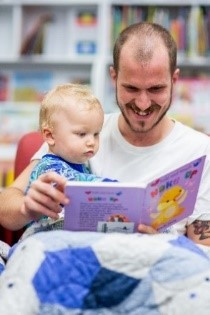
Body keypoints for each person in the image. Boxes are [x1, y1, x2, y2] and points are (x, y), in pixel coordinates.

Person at [1, 22, 210, 246]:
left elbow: (203, 255)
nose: (142, 103)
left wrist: (161, 245)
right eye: (131, 88)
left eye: (155, 89)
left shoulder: (201, 151)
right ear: (114, 77)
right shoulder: (81, 131)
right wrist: (27, 208)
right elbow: (6, 207)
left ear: (174, 80)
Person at [20, 83, 117, 238]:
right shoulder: (49, 167)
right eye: (81, 134)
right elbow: (77, 183)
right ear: (50, 136)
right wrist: (115, 188)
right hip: (43, 236)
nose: (91, 141)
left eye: (96, 134)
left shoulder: (81, 165)